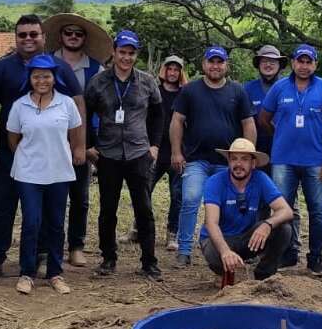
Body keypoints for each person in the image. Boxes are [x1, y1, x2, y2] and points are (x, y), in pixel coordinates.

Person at [0, 15, 85, 278]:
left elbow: (77, 105)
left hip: (51, 154)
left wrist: (79, 146)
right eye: (22, 35)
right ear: (15, 38)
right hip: (11, 150)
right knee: (3, 206)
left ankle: (42, 256)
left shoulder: (60, 68)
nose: (28, 39)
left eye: (33, 34)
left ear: (43, 37)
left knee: (44, 211)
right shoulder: (2, 68)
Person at [84, 30, 165, 280]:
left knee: (144, 208)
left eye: (131, 53)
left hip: (139, 152)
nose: (126, 58)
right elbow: (85, 114)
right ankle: (108, 258)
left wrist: (154, 146)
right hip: (107, 154)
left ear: (136, 55)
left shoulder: (147, 81)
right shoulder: (98, 82)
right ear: (114, 52)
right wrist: (88, 145)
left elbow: (159, 114)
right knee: (108, 209)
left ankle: (149, 261)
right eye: (122, 52)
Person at [170, 46, 256, 267]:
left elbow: (248, 124)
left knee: (233, 205)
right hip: (196, 159)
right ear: (204, 64)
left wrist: (248, 155)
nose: (215, 66)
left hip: (228, 162)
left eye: (220, 62)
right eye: (211, 61)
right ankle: (185, 250)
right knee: (190, 199)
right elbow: (177, 121)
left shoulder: (237, 91)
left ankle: (233, 249)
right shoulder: (190, 91)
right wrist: (176, 151)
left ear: (226, 65)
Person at [6, 54, 86, 295]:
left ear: (54, 78)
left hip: (59, 172)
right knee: (31, 222)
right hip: (28, 173)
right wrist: (32, 155)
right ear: (29, 78)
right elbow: (13, 139)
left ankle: (55, 272)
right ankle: (27, 273)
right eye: (37, 76)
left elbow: (75, 134)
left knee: (55, 224)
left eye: (47, 76)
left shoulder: (66, 104)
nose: (42, 80)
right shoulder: (20, 106)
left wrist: (74, 152)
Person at [258, 44, 322, 276]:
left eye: (308, 62)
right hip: (283, 160)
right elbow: (264, 118)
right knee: (283, 210)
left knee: (319, 212)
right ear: (293, 63)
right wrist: (280, 135)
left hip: (315, 161)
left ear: (315, 64)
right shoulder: (279, 87)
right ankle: (286, 254)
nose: (304, 66)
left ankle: (315, 259)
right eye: (300, 61)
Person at [44, 13, 113, 267]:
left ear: (84, 38)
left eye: (78, 33)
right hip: (49, 140)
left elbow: (100, 109)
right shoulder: (46, 63)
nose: (73, 37)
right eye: (68, 32)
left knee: (80, 197)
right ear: (61, 36)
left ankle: (76, 245)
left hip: (81, 140)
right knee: (52, 196)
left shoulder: (95, 68)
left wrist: (90, 144)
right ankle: (51, 247)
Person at [201, 138, 294, 282]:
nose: (238, 164)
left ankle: (264, 275)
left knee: (284, 229)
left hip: (246, 237)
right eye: (234, 159)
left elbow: (286, 210)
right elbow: (211, 223)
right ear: (229, 162)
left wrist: (267, 224)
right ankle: (226, 273)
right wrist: (225, 251)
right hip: (219, 239)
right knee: (215, 254)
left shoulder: (261, 178)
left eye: (244, 159)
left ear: (253, 163)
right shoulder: (215, 181)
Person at [152, 55, 187, 251]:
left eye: (176, 69)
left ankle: (172, 233)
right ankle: (138, 228)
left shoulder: (185, 94)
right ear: (164, 70)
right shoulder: (154, 92)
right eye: (169, 69)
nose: (172, 73)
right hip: (156, 149)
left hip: (177, 151)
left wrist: (183, 151)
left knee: (177, 194)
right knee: (144, 190)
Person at [245, 45, 287, 158]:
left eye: (272, 62)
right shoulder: (247, 89)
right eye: (264, 61)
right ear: (258, 64)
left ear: (279, 65)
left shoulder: (289, 87)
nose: (268, 65)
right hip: (257, 150)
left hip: (285, 149)